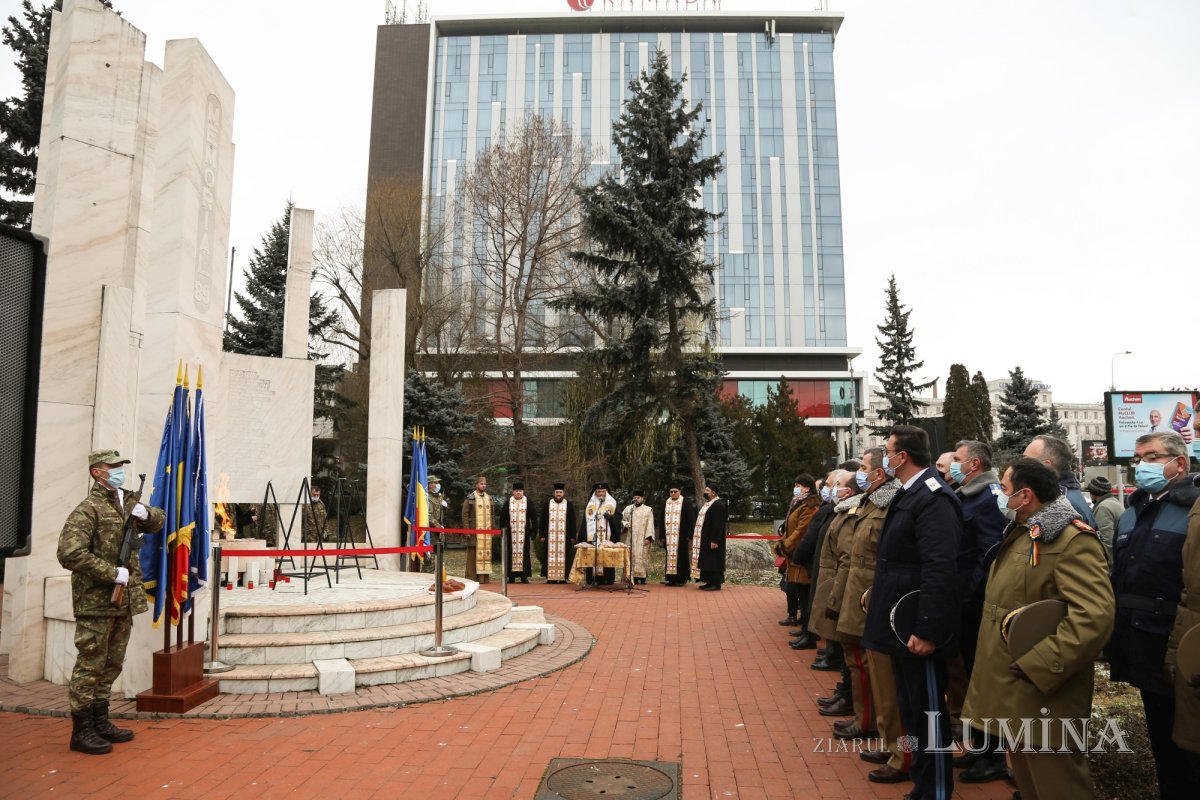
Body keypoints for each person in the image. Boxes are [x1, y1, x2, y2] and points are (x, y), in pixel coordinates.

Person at [961, 457, 1114, 800]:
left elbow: (1093, 617)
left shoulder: (1071, 540)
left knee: (1058, 786)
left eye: (1005, 489)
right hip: (1016, 687)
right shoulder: (1025, 532)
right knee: (1032, 787)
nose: (1000, 495)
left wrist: (1041, 664)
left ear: (1026, 496)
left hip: (1044, 688)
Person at [861, 425, 961, 800]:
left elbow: (940, 567)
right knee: (912, 706)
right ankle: (922, 784)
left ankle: (935, 789)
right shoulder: (912, 492)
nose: (884, 457)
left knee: (928, 710)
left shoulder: (933, 497)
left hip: (918, 627)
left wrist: (928, 629)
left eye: (888, 451)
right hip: (901, 624)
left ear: (903, 457)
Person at [1108, 431, 1200, 799]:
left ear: (1179, 463)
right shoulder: (1132, 512)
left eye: (1151, 456)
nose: (1141, 465)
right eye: (1137, 458)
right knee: (1161, 737)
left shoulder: (1194, 509)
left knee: (1190, 741)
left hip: (1182, 644)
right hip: (1143, 644)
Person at [57, 448, 165, 755]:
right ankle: (81, 730)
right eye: (113, 466)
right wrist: (110, 573)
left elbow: (158, 521)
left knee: (112, 663)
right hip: (96, 601)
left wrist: (148, 514)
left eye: (121, 466)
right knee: (90, 664)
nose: (119, 470)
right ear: (97, 472)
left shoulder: (128, 501)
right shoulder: (87, 509)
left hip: (124, 602)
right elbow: (69, 553)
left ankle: (101, 721)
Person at [837, 447, 908, 783]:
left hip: (874, 597)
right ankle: (887, 739)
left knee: (884, 676)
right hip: (861, 593)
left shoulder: (889, 503)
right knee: (868, 668)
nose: (859, 473)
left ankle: (898, 748)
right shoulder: (870, 501)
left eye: (864, 467)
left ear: (880, 474)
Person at [947, 439, 1010, 784]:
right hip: (964, 601)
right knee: (972, 679)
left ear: (973, 465)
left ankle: (994, 755)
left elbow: (988, 555)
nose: (953, 465)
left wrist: (969, 596)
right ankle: (979, 748)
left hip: (975, 604)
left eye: (957, 459)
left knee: (981, 678)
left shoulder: (987, 499)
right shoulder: (967, 494)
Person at [789, 470, 838, 649]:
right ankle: (805, 630)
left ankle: (810, 634)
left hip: (807, 559)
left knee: (809, 598)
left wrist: (790, 549)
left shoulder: (813, 507)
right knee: (803, 597)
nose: (824, 490)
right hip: (803, 557)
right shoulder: (804, 504)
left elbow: (805, 533)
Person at [1023, 434, 1097, 528]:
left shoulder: (1061, 506)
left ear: (1046, 466)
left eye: (1026, 461)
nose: (1019, 465)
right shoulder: (1064, 497)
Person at [775, 475, 819, 627]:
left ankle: (805, 624)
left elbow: (801, 531)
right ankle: (795, 617)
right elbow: (790, 527)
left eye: (798, 485)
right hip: (792, 552)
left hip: (799, 553)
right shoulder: (797, 503)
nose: (796, 488)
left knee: (801, 590)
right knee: (793, 587)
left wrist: (785, 546)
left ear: (807, 488)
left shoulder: (809, 505)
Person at [691, 483, 728, 591]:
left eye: (707, 490)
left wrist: (715, 540)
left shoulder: (718, 505)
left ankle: (716, 584)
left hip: (713, 540)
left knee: (714, 561)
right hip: (706, 538)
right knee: (707, 560)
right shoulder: (709, 503)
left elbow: (718, 525)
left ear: (713, 493)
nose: (705, 492)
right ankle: (708, 581)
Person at [539, 483, 578, 583]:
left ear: (563, 493)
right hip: (549, 537)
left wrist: (573, 536)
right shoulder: (548, 504)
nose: (559, 494)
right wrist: (542, 535)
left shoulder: (568, 505)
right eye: (557, 492)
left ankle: (563, 578)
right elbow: (542, 520)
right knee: (549, 556)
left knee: (564, 557)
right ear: (554, 493)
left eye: (560, 492)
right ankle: (550, 578)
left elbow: (573, 521)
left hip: (565, 537)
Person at [582, 483, 619, 585]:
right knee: (592, 556)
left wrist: (611, 518)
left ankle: (607, 579)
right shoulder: (590, 504)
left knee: (607, 555)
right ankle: (592, 579)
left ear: (606, 492)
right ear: (595, 492)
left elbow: (619, 517)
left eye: (603, 491)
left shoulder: (612, 503)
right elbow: (584, 521)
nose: (601, 493)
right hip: (593, 536)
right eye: (599, 492)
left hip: (607, 537)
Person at [460, 475, 495, 583]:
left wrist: (492, 528)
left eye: (484, 484)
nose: (483, 486)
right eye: (481, 484)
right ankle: (472, 577)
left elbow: (492, 515)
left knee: (485, 554)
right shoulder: (471, 498)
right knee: (472, 554)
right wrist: (467, 530)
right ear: (476, 485)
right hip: (474, 530)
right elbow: (465, 515)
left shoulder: (489, 498)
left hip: (486, 532)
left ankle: (484, 578)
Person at [660, 481, 695, 586]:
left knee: (682, 558)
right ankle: (671, 579)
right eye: (671, 492)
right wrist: (662, 536)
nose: (673, 493)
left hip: (682, 536)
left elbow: (691, 520)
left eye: (675, 491)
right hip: (669, 537)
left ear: (680, 491)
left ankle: (682, 579)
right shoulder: (666, 503)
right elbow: (661, 520)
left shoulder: (686, 502)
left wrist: (689, 535)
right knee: (669, 557)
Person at [501, 482, 536, 584]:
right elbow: (503, 518)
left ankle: (524, 577)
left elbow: (533, 518)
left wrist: (534, 531)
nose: (518, 493)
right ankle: (511, 577)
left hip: (524, 534)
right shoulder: (508, 502)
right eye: (516, 491)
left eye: (520, 491)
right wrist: (503, 531)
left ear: (523, 492)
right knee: (510, 554)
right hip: (511, 534)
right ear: (513, 492)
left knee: (524, 554)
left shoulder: (528, 502)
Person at [1085, 476, 1123, 562]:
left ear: (1094, 494)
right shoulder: (1114, 501)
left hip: (1112, 562)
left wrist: (1105, 563)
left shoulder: (1103, 508)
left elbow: (1106, 540)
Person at [621, 490, 655, 585]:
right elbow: (622, 519)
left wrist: (648, 538)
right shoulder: (628, 509)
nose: (636, 499)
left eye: (638, 497)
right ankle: (631, 577)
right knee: (630, 556)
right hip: (630, 538)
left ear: (642, 498)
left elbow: (650, 524)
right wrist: (625, 524)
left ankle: (642, 578)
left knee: (642, 556)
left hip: (642, 537)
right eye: (635, 497)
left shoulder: (648, 509)